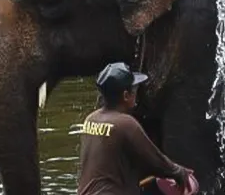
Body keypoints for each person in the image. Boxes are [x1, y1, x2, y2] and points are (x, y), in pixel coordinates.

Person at [77, 62, 196, 195]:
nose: (136, 93)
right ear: (126, 96)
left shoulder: (90, 119)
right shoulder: (125, 124)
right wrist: (180, 172)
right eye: (134, 89)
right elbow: (156, 161)